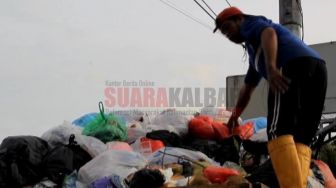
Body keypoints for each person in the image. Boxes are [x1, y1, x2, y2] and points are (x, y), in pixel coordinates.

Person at [214, 7, 328, 188]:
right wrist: (234, 116)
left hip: (292, 64)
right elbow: (248, 88)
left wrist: (272, 68)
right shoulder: (254, 52)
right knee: (301, 136)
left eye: (228, 27)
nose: (228, 34)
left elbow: (269, 33)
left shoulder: (251, 24)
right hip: (317, 68)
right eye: (224, 33)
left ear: (239, 19)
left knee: (277, 132)